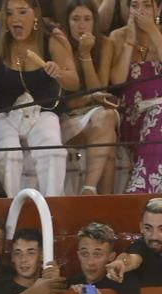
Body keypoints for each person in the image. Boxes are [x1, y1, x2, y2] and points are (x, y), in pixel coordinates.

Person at [0, 0, 75, 197]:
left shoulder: (52, 37)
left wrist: (59, 73)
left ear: (35, 12)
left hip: (40, 110)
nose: (15, 19)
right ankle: (9, 208)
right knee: (9, 151)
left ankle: (52, 208)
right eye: (10, 13)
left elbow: (74, 82)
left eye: (22, 12)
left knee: (52, 150)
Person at [108, 0, 162, 194]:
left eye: (147, 5)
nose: (140, 11)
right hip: (133, 112)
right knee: (151, 120)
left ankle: (142, 189)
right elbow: (117, 80)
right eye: (135, 5)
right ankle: (156, 189)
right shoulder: (117, 36)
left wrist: (152, 31)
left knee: (158, 115)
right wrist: (129, 41)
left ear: (158, 8)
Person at [57, 0, 117, 194]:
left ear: (94, 22)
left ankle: (89, 191)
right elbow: (65, 103)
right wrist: (90, 99)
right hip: (66, 119)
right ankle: (98, 198)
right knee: (109, 138)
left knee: (107, 119)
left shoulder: (105, 44)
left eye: (87, 19)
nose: (81, 25)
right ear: (67, 22)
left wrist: (86, 55)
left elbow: (99, 90)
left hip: (96, 117)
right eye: (75, 19)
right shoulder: (60, 44)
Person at [68, 220, 142, 294]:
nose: (90, 262)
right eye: (84, 254)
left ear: (111, 256)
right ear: (78, 255)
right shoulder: (72, 282)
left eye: (97, 254)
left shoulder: (122, 279)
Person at [105, 194, 162, 287]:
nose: (154, 236)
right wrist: (121, 262)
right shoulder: (139, 247)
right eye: (148, 228)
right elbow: (132, 258)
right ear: (141, 227)